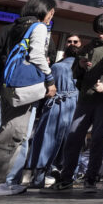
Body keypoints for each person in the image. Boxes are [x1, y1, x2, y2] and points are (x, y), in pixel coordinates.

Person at [0, 0, 57, 194]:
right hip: (24, 87)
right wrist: (49, 79)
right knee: (13, 133)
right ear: (44, 10)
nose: (51, 17)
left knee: (6, 129)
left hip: (7, 85)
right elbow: (37, 55)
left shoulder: (15, 26)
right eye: (51, 12)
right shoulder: (39, 27)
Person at [55, 12, 103, 192]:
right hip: (86, 97)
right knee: (73, 137)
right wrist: (80, 65)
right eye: (98, 31)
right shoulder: (90, 46)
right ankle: (66, 178)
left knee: (98, 140)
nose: (101, 34)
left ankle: (91, 179)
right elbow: (76, 70)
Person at [27, 34, 81, 188]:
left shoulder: (57, 67)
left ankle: (39, 177)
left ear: (64, 53)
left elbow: (47, 87)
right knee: (70, 142)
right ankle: (66, 176)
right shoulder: (82, 69)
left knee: (47, 140)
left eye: (74, 41)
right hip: (74, 108)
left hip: (55, 106)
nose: (71, 43)